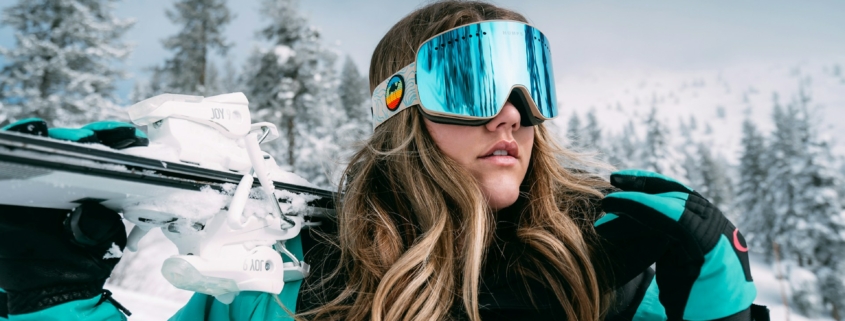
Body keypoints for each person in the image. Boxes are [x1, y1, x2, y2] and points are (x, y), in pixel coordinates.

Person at [0, 1, 767, 320]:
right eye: (470, 79)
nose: (510, 113)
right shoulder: (292, 270)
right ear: (396, 106)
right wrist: (56, 277)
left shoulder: (639, 247)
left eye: (530, 83)